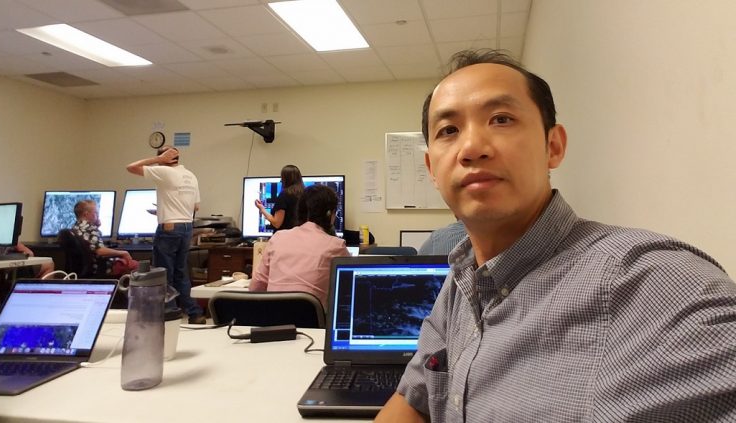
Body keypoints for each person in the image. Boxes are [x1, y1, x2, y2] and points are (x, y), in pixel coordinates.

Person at [375, 49, 736, 422]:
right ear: (432, 168)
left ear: (553, 146)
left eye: (501, 119)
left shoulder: (647, 281)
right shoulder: (460, 284)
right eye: (448, 130)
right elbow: (412, 399)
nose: (471, 148)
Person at [126, 145, 205, 324]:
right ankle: (194, 313)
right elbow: (196, 207)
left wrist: (157, 161)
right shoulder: (190, 175)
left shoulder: (163, 171)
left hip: (169, 229)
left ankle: (169, 314)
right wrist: (163, 210)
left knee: (163, 274)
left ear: (164, 159)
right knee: (180, 273)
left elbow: (131, 167)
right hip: (186, 228)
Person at [250, 185, 349, 310]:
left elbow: (256, 287)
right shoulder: (336, 246)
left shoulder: (277, 238)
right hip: (313, 326)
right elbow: (349, 290)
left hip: (272, 322)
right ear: (330, 214)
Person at [71, 199, 137, 276]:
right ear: (86, 214)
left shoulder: (75, 228)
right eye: (96, 213)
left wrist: (97, 226)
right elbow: (100, 251)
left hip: (86, 267)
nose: (98, 215)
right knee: (137, 266)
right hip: (101, 266)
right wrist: (123, 253)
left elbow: (92, 246)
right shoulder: (90, 228)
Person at [255, 164, 304, 233]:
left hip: (285, 238)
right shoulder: (305, 194)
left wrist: (262, 209)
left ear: (285, 179)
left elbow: (277, 223)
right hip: (300, 238)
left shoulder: (284, 195)